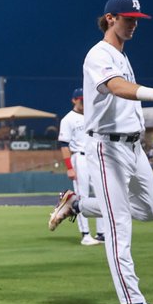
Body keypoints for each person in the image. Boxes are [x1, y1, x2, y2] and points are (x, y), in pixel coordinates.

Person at [47, 0, 153, 304]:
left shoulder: (122, 56)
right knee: (119, 225)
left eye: (136, 19)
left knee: (149, 212)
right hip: (107, 148)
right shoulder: (98, 54)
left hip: (134, 147)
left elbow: (123, 86)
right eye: (128, 18)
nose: (133, 24)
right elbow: (116, 87)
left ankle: (79, 204)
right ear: (110, 18)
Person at [56, 88, 103, 246]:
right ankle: (85, 234)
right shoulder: (68, 119)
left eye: (85, 99)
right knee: (82, 197)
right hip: (80, 157)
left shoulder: (94, 115)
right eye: (81, 100)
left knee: (101, 195)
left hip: (95, 157)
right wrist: (69, 167)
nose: (84, 102)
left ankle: (102, 233)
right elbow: (64, 145)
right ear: (74, 100)